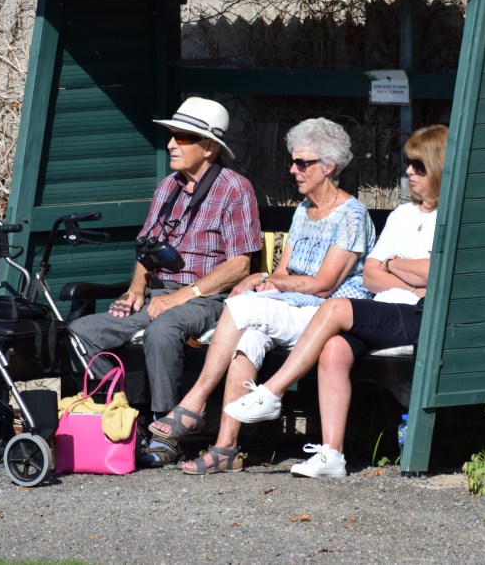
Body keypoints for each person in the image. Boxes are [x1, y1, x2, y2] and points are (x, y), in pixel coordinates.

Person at [146, 117, 376, 474]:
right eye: (293, 161)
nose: (293, 169)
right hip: (293, 308)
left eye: (302, 163)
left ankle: (195, 401)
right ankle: (225, 448)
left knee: (241, 307)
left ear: (329, 167)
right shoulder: (304, 211)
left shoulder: (351, 216)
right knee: (248, 338)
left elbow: (324, 285)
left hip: (327, 316)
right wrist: (266, 280)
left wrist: (269, 282)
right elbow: (283, 273)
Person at [224, 125, 448, 478]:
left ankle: (272, 391)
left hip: (421, 314)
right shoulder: (402, 215)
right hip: (384, 310)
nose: (409, 172)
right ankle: (332, 455)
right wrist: (404, 270)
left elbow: (437, 273)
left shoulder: (450, 218)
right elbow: (372, 275)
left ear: (439, 167)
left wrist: (393, 265)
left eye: (419, 166)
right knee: (333, 349)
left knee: (337, 307)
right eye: (408, 164)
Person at [68, 97, 262, 467]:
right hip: (159, 297)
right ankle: (124, 417)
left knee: (163, 329)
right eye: (171, 135)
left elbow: (240, 265)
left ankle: (165, 430)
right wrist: (136, 289)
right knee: (82, 331)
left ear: (209, 147)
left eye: (182, 137)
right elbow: (147, 247)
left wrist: (181, 297)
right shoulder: (167, 187)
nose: (171, 144)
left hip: (209, 299)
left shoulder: (235, 188)